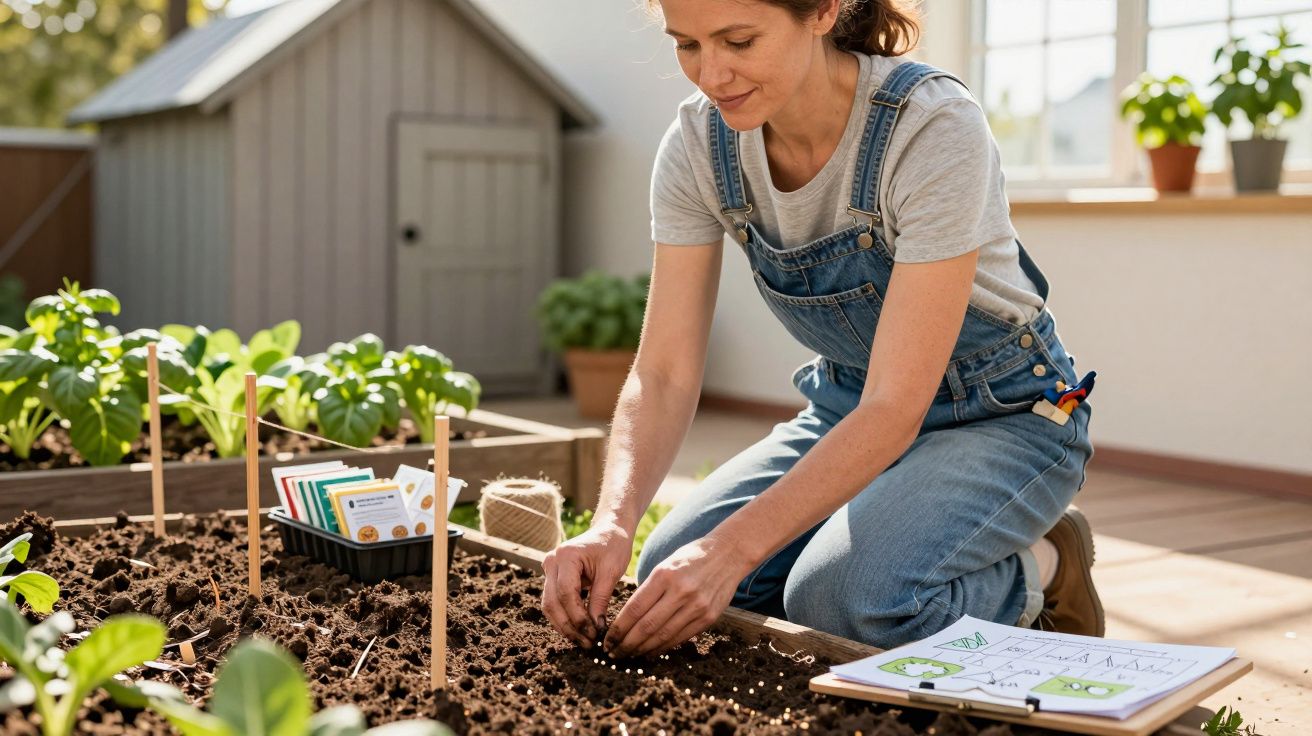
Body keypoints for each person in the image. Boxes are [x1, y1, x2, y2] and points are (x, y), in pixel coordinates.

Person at [540, 0, 1101, 660]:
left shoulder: (930, 128)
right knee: (674, 563)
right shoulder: (699, 146)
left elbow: (895, 407)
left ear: (824, 11)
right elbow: (663, 370)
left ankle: (1046, 566)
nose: (712, 74)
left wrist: (729, 550)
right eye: (687, 45)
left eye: (739, 40)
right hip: (849, 407)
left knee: (843, 601)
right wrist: (613, 522)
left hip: (1004, 414)